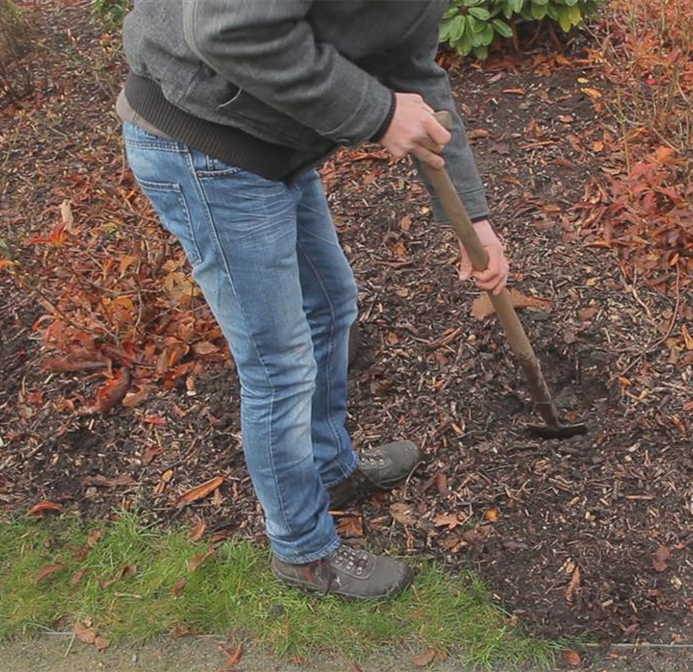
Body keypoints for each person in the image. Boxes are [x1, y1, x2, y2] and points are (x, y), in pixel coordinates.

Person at [117, 0, 510, 601]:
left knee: (330, 308)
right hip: (204, 146)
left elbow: (414, 73)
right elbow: (231, 28)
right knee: (279, 362)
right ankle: (301, 551)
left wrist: (474, 218)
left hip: (281, 143)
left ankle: (330, 469)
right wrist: (378, 114)